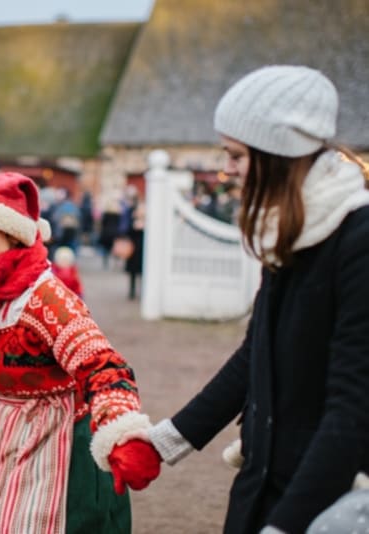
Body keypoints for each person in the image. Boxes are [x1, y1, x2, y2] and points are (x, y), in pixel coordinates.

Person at [118, 65, 369, 534]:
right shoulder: (291, 233)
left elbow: (353, 412)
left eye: (236, 154)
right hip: (262, 487)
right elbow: (255, 356)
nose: (226, 169)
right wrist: (163, 442)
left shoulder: (358, 240)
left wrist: (285, 526)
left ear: (278, 153)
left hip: (325, 503)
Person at [0, 172, 161, 533]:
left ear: (13, 233)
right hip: (3, 427)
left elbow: (100, 363)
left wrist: (123, 433)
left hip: (56, 433)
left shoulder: (45, 297)